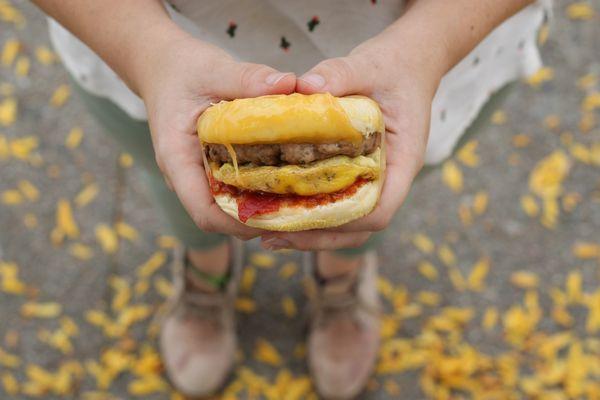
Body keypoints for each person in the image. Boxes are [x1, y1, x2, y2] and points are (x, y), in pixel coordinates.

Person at [32, 0, 550, 398]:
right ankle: (206, 271)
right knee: (176, 177)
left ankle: (341, 276)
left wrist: (429, 44)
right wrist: (145, 53)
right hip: (142, 41)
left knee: (382, 195)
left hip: (444, 41)